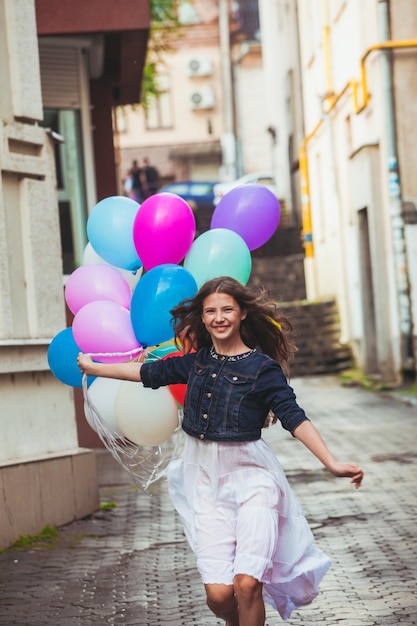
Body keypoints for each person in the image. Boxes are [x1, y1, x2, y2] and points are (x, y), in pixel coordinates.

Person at [77, 276, 364, 626]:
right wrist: (94, 368)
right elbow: (146, 372)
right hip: (206, 486)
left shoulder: (263, 369)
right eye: (210, 311)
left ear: (242, 313)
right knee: (219, 595)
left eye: (227, 309)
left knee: (246, 583)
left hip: (253, 482)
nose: (219, 317)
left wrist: (331, 463)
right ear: (202, 317)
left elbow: (294, 416)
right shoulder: (194, 362)